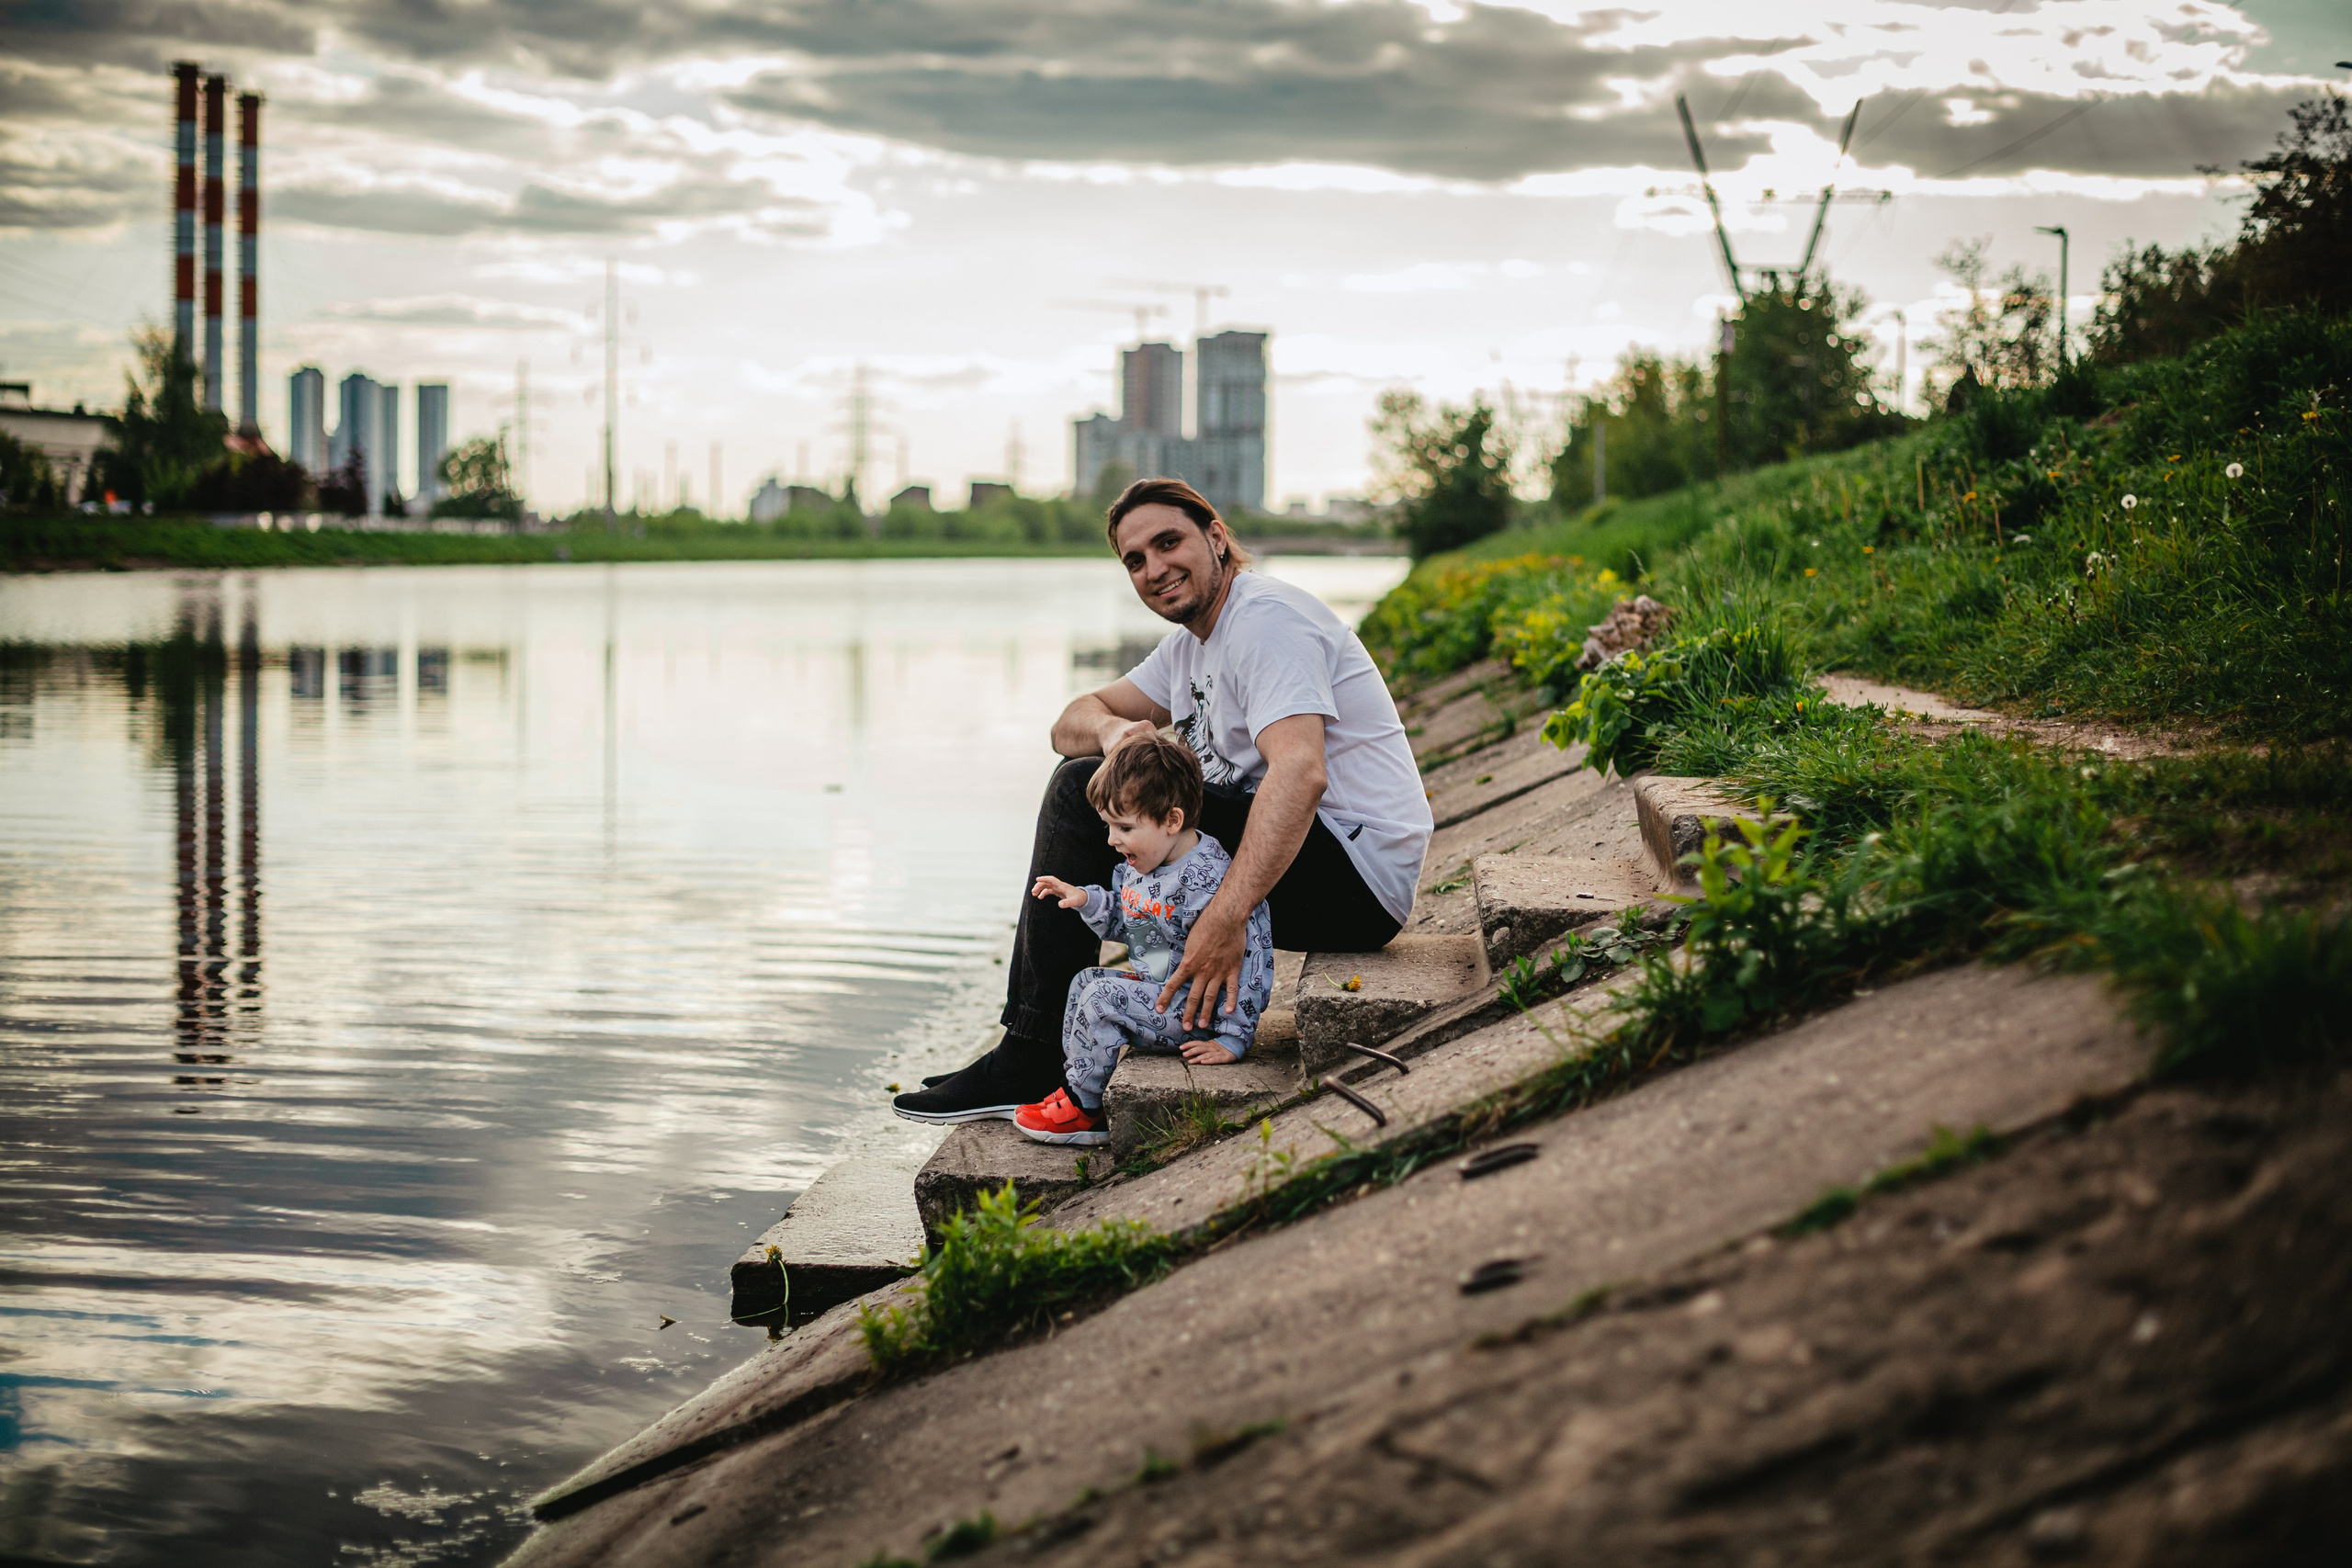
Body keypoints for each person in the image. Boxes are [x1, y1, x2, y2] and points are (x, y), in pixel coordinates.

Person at [893, 476, 1431, 1124]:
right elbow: (1070, 721)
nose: (1154, 569)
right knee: (1099, 778)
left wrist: (1223, 918)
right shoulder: (1188, 647)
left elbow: (1301, 772)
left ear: (1216, 536)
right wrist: (1115, 731)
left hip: (1355, 879)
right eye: (1135, 560)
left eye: (1168, 542)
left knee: (1078, 792)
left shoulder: (1264, 622)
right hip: (1312, 860)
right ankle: (1052, 1037)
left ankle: (1034, 1050)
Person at [1014, 731, 1275, 1146]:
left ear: (1172, 820)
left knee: (1100, 998)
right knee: (1085, 981)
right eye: (1108, 826)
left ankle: (1085, 1111)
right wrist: (1085, 899)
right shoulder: (1145, 864)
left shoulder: (1209, 880)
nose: (1111, 840)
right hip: (1162, 991)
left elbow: (1252, 958)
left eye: (1124, 827)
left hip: (1197, 1017)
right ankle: (1079, 1084)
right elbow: (1135, 930)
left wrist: (1234, 1037)